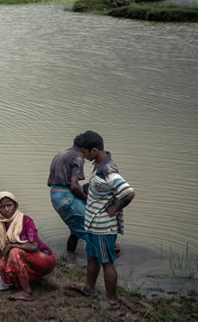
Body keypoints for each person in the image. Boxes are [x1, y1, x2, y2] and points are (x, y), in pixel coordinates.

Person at [73, 130, 135, 306]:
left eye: (84, 153)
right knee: (91, 257)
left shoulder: (108, 170)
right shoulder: (98, 164)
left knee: (107, 262)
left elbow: (129, 193)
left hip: (103, 226)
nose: (82, 156)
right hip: (93, 222)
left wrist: (115, 207)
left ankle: (111, 300)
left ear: (94, 150)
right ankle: (89, 288)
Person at [0, 191, 56, 302]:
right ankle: (24, 282)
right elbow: (2, 251)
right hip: (24, 259)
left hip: (44, 259)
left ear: (15, 205)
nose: (7, 209)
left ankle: (27, 292)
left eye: (9, 205)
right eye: (2, 207)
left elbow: (34, 246)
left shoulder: (26, 220)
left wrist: (12, 244)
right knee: (1, 265)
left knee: (14, 252)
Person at [47, 136, 88, 253]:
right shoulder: (78, 157)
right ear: (84, 149)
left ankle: (70, 258)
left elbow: (49, 182)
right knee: (92, 231)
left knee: (74, 230)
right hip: (66, 198)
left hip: (55, 196)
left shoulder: (59, 154)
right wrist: (86, 198)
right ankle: (100, 262)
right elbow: (74, 186)